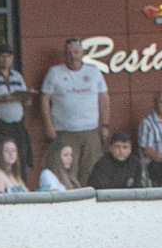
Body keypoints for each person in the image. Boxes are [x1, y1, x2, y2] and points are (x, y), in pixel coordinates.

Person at [39, 38, 110, 186]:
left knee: (90, 171)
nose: (73, 56)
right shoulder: (55, 72)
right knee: (67, 172)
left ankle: (88, 198)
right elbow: (44, 99)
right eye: (69, 53)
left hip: (90, 131)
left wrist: (105, 125)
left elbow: (104, 99)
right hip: (65, 131)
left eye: (76, 52)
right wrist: (48, 125)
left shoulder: (94, 71)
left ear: (83, 53)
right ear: (64, 55)